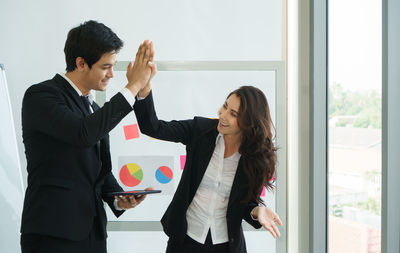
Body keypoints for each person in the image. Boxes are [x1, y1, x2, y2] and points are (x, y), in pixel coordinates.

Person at [20, 20, 155, 253]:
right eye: (106, 67)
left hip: (92, 233)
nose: (112, 74)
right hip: (54, 234)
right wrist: (132, 87)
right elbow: (82, 134)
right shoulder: (41, 96)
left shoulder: (90, 106)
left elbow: (94, 165)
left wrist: (116, 197)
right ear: (81, 63)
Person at [134, 70, 283, 252]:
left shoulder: (254, 157)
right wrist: (143, 92)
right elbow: (154, 128)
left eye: (233, 114)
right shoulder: (200, 131)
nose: (223, 115)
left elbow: (244, 203)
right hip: (184, 240)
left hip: (225, 245)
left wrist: (257, 211)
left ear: (249, 122)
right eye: (225, 106)